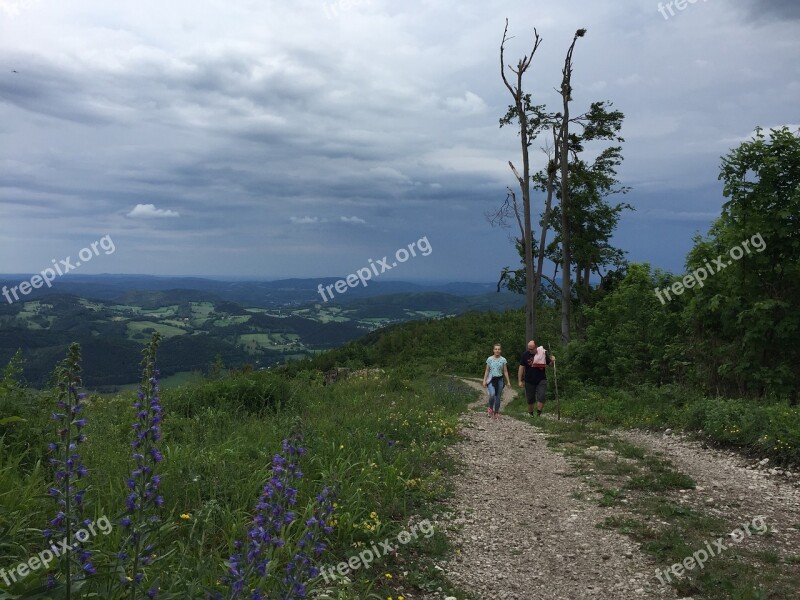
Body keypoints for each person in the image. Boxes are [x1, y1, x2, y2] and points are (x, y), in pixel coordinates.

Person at [518, 340, 556, 417]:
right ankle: (531, 414)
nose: (530, 350)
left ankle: (538, 414)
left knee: (541, 396)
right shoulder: (525, 355)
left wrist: (553, 361)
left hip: (541, 379)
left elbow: (550, 365)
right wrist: (519, 380)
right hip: (529, 379)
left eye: (532, 349)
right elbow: (521, 367)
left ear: (536, 347)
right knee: (530, 399)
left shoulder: (543, 353)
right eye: (529, 349)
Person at [483, 343, 511, 418]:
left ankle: (496, 412)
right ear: (493, 350)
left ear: (500, 350)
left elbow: (505, 371)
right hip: (491, 379)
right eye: (496, 349)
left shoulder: (503, 360)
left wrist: (508, 381)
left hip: (500, 379)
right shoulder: (489, 359)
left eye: (498, 349)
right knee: (492, 395)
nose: (497, 350)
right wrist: (484, 380)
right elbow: (487, 371)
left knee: (498, 396)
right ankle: (490, 408)